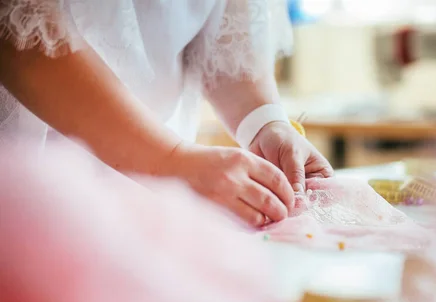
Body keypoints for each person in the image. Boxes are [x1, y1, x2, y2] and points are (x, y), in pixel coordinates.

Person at [0, 0, 333, 227]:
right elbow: (21, 33)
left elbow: (228, 42)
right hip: (29, 195)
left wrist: (265, 123)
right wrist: (170, 160)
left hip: (163, 196)